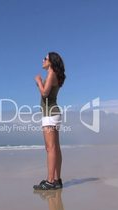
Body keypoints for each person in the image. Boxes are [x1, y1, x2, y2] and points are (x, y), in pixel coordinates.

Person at [33, 52, 66, 190]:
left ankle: (50, 181)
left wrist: (39, 81)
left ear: (51, 62)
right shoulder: (53, 75)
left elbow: (45, 93)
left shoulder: (51, 74)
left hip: (50, 115)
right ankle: (57, 180)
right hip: (53, 114)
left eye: (45, 58)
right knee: (55, 148)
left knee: (50, 148)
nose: (43, 60)